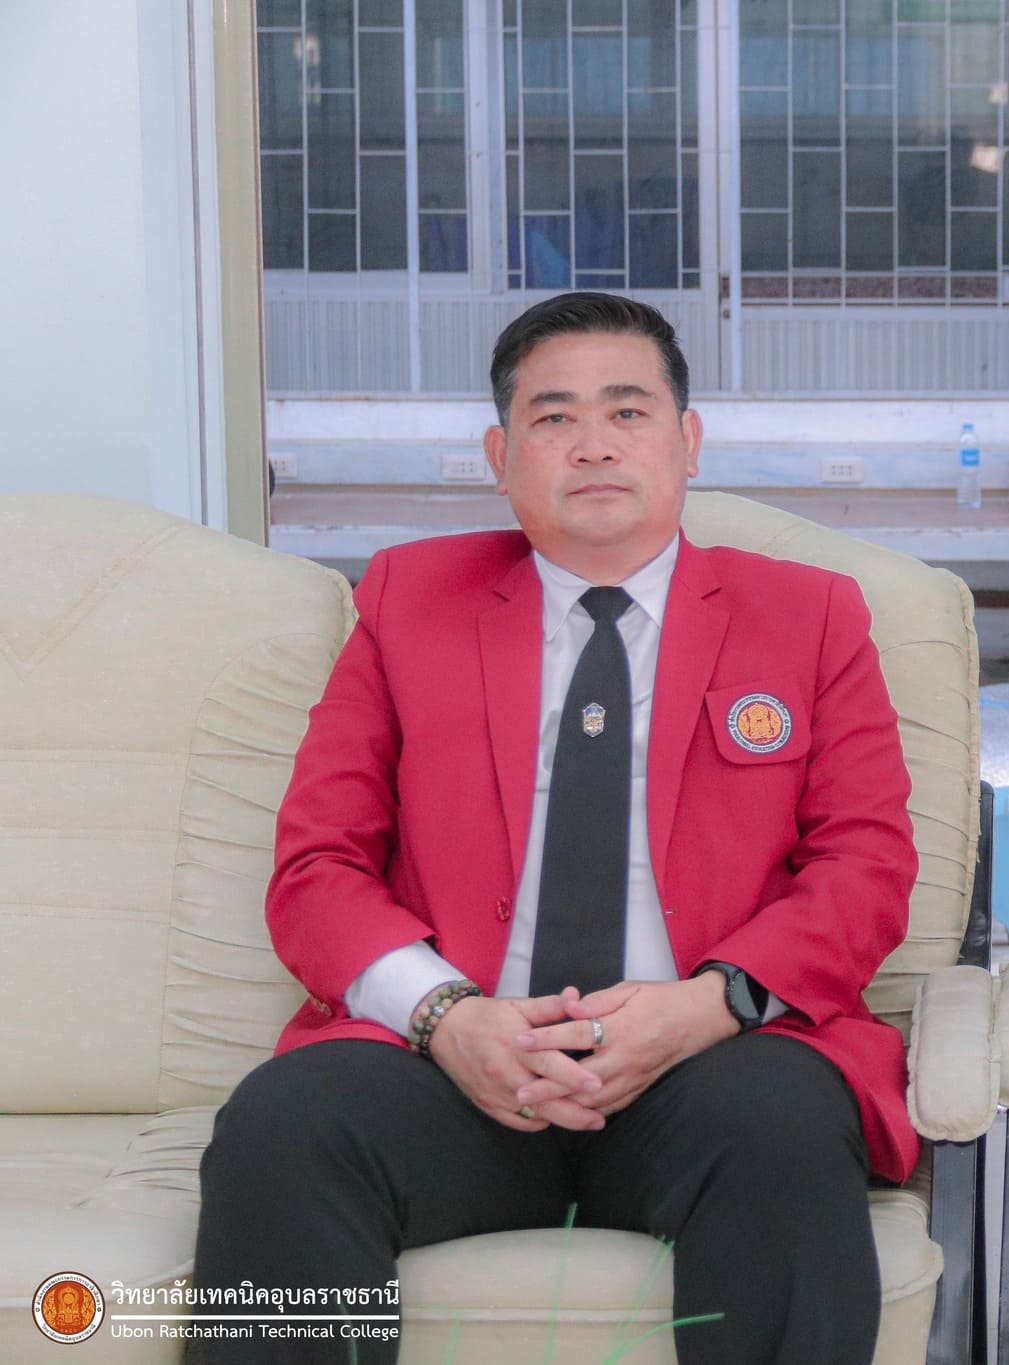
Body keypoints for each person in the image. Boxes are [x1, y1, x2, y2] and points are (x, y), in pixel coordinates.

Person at [193, 292, 918, 1364]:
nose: (593, 444)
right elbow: (318, 867)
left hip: (706, 1062)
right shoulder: (407, 600)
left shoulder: (808, 614)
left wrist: (709, 1005)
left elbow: (865, 866)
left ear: (688, 441)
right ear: (500, 456)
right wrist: (447, 1018)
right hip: (458, 1065)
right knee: (285, 1121)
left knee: (781, 1114)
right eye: (552, 417)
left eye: (627, 411)